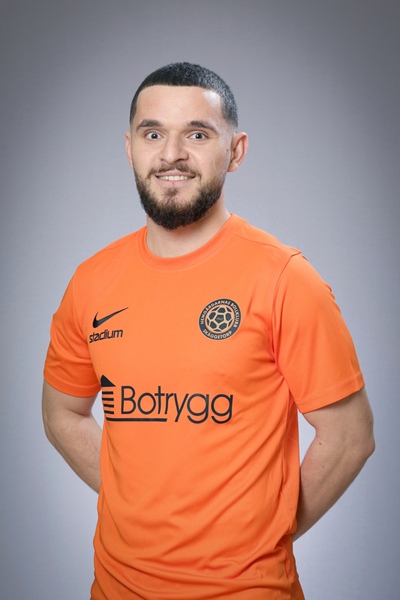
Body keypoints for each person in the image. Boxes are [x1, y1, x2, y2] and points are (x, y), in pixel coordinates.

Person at [42, 62, 375, 600]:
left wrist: (263, 535)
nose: (171, 154)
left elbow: (351, 436)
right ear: (130, 148)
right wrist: (133, 502)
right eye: (153, 134)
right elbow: (62, 412)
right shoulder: (91, 282)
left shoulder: (285, 278)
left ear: (235, 151)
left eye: (197, 135)